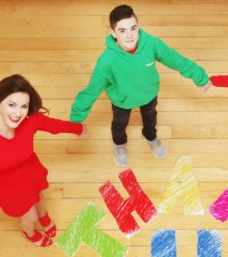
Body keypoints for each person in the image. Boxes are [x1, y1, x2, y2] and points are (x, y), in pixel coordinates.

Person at [69, 4, 210, 167]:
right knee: (119, 124)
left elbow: (176, 60)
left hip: (149, 94)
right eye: (122, 31)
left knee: (150, 118)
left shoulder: (151, 43)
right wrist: (76, 121)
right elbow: (90, 91)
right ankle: (119, 144)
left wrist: (199, 77)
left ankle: (150, 136)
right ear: (113, 33)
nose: (129, 36)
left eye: (133, 28)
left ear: (138, 27)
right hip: (122, 100)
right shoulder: (106, 61)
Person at [0, 74, 89, 247]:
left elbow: (54, 126)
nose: (17, 113)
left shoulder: (29, 121)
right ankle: (29, 232)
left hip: (28, 171)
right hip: (5, 185)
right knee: (30, 215)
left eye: (24, 106)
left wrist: (79, 129)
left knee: (39, 196)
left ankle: (45, 217)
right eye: (11, 105)